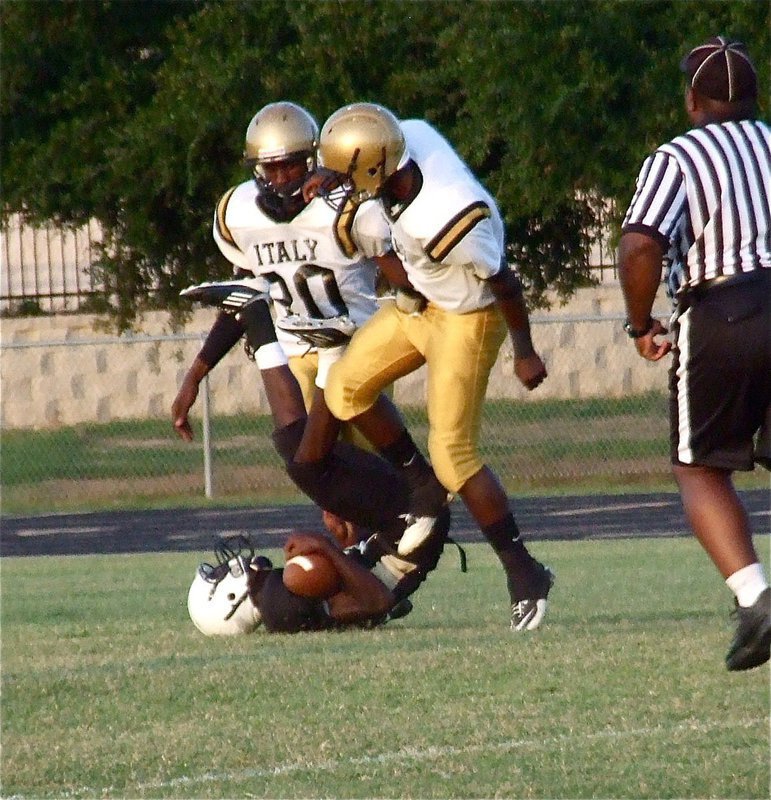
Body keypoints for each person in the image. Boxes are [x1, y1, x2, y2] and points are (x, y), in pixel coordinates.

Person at [312, 103, 554, 632]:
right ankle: (421, 489)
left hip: (468, 317)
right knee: (346, 389)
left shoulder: (449, 214)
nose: (337, 185)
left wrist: (525, 350)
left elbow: (505, 283)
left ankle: (524, 571)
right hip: (421, 304)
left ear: (376, 170)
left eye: (344, 176)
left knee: (453, 454)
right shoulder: (406, 138)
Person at [617, 36, 770, 671]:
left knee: (701, 467)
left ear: (691, 100)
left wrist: (639, 322)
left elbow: (639, 245)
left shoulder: (677, 156)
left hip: (725, 310)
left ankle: (757, 600)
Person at [182, 294, 456, 635]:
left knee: (295, 447)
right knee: (306, 468)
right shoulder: (285, 599)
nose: (227, 567)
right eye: (219, 576)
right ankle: (325, 350)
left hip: (395, 533)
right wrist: (326, 548)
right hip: (409, 530)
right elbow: (378, 602)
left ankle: (268, 325)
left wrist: (346, 543)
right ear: (229, 600)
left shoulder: (282, 600)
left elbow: (357, 596)